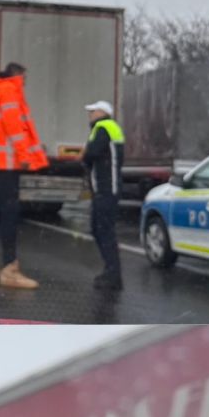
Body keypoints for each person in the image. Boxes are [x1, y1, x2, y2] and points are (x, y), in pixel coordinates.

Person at [0, 62, 47, 288]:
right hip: (6, 162)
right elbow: (14, 126)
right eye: (24, 79)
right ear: (17, 76)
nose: (24, 83)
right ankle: (10, 269)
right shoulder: (8, 90)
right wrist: (24, 154)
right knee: (9, 214)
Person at [81, 101, 125, 290]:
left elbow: (91, 153)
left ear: (102, 112)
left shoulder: (103, 127)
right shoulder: (108, 127)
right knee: (98, 229)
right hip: (104, 189)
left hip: (106, 189)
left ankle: (113, 274)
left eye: (93, 111)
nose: (90, 114)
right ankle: (111, 271)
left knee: (104, 230)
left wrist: (85, 155)